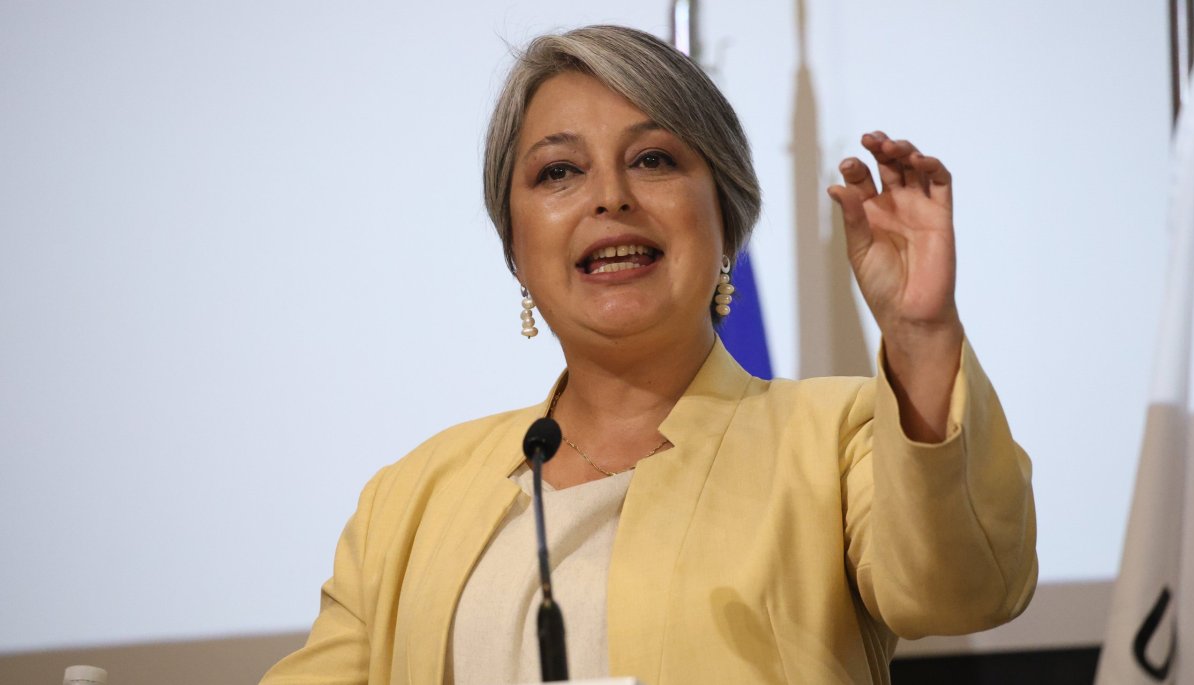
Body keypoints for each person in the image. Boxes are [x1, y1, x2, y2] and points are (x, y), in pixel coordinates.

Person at [261, 24, 1036, 685]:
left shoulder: (837, 439)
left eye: (654, 160)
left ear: (724, 218)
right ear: (516, 248)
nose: (611, 197)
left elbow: (960, 590)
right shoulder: (410, 498)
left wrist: (920, 333)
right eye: (559, 171)